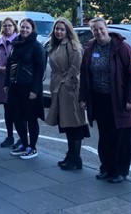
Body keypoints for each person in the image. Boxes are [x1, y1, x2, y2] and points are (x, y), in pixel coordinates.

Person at [79, 17, 131, 184]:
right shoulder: (90, 48)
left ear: (106, 28)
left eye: (101, 28)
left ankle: (120, 171)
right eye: (95, 29)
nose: (99, 32)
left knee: (121, 137)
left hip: (120, 99)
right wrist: (83, 97)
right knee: (105, 136)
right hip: (99, 98)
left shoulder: (121, 47)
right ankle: (106, 168)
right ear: (92, 31)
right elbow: (85, 75)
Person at [45, 18, 89, 170]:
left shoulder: (72, 45)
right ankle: (71, 156)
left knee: (73, 124)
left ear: (68, 31)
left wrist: (67, 85)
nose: (59, 31)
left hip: (69, 90)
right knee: (67, 124)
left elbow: (75, 67)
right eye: (57, 29)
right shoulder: (56, 45)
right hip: (59, 87)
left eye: (62, 29)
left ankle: (75, 159)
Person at [5, 18, 45, 160]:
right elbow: (9, 65)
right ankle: (24, 143)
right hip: (15, 87)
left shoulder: (37, 46)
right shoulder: (15, 44)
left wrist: (35, 90)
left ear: (32, 29)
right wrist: (6, 84)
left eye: (27, 27)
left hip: (29, 88)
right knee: (17, 117)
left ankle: (32, 147)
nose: (24, 30)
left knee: (31, 119)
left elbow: (40, 70)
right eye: (22, 27)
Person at [0, 17, 20, 148]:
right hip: (2, 80)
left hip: (16, 81)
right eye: (5, 26)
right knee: (7, 110)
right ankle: (10, 136)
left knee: (18, 111)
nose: (7, 28)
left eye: (10, 25)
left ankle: (22, 137)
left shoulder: (19, 41)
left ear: (14, 27)